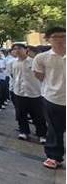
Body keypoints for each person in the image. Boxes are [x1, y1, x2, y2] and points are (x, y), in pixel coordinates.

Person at [32, 27, 66, 169]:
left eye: (63, 36)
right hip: (53, 98)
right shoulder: (41, 58)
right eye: (56, 36)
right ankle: (54, 156)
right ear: (48, 39)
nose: (60, 39)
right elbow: (39, 76)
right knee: (55, 129)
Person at [11, 43, 47, 143]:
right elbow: (13, 76)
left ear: (26, 49)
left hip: (34, 92)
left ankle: (42, 134)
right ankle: (24, 131)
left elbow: (42, 76)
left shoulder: (34, 62)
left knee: (38, 115)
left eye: (19, 48)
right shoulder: (13, 63)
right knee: (21, 114)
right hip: (19, 92)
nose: (16, 50)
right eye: (14, 49)